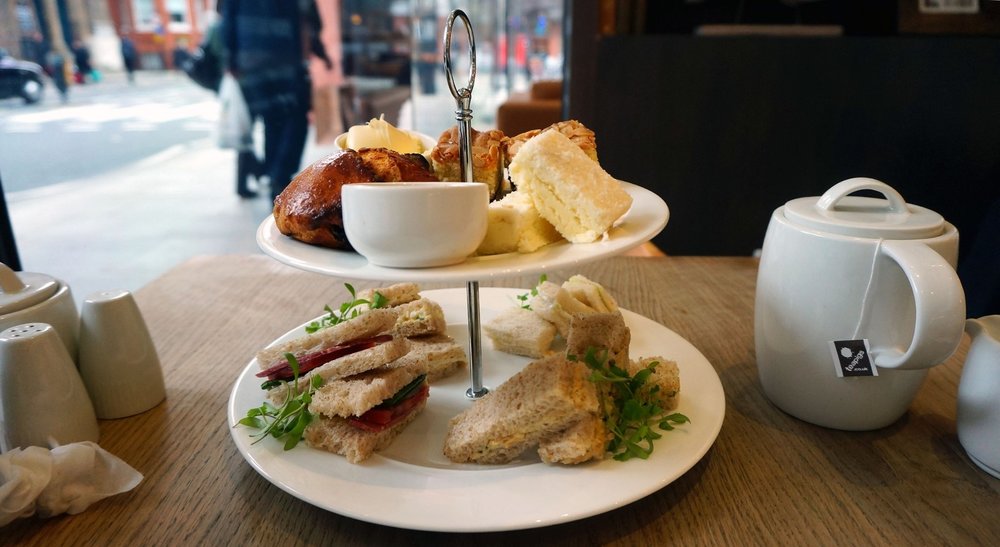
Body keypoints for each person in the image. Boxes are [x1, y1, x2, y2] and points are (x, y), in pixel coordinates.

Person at [221, 0, 329, 201]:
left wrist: (230, 61)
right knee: (293, 121)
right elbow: (311, 19)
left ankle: (263, 174)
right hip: (287, 59)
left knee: (267, 121)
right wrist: (321, 52)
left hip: (251, 60)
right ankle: (278, 176)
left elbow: (227, 19)